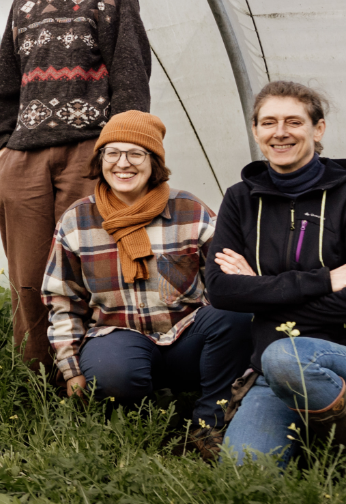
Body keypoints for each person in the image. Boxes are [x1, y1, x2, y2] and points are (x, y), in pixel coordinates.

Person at [0, 0, 151, 379]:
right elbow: (5, 79)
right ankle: (37, 378)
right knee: (29, 275)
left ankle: (93, 375)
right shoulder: (24, 1)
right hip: (26, 157)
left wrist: (121, 148)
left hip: (88, 152)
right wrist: (1, 145)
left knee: (90, 269)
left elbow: (130, 70)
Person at [43, 112, 251, 457]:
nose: (123, 164)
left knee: (236, 318)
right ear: (100, 159)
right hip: (118, 335)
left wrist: (246, 278)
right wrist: (70, 370)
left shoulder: (190, 211)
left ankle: (208, 426)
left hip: (186, 337)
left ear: (153, 162)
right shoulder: (78, 220)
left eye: (136, 154)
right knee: (114, 375)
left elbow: (228, 282)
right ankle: (141, 423)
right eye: (112, 153)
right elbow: (62, 299)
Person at [213, 83, 346, 474]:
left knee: (284, 353)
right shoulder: (240, 199)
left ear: (318, 129)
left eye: (294, 121)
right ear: (256, 131)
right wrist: (322, 281)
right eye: (268, 122)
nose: (281, 132)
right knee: (243, 475)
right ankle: (316, 437)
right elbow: (222, 290)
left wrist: (259, 291)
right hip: (272, 377)